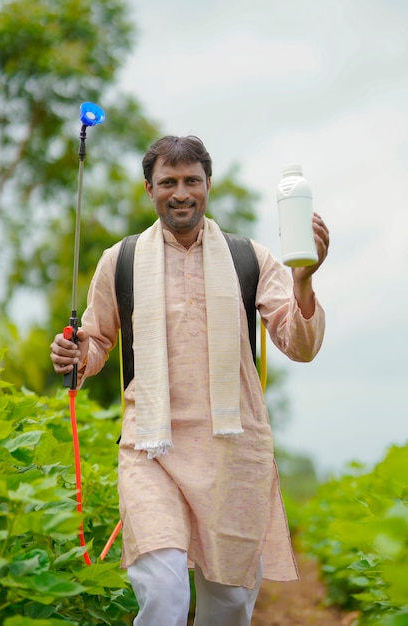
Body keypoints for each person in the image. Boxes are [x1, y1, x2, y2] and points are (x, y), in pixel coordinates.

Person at [50, 135, 329, 626]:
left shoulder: (251, 259)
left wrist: (304, 280)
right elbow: (94, 343)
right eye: (168, 182)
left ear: (208, 185)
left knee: (228, 605)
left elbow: (300, 346)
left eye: (191, 181)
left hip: (232, 451)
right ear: (148, 189)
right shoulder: (122, 260)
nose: (181, 193)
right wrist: (73, 353)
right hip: (151, 449)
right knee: (162, 593)